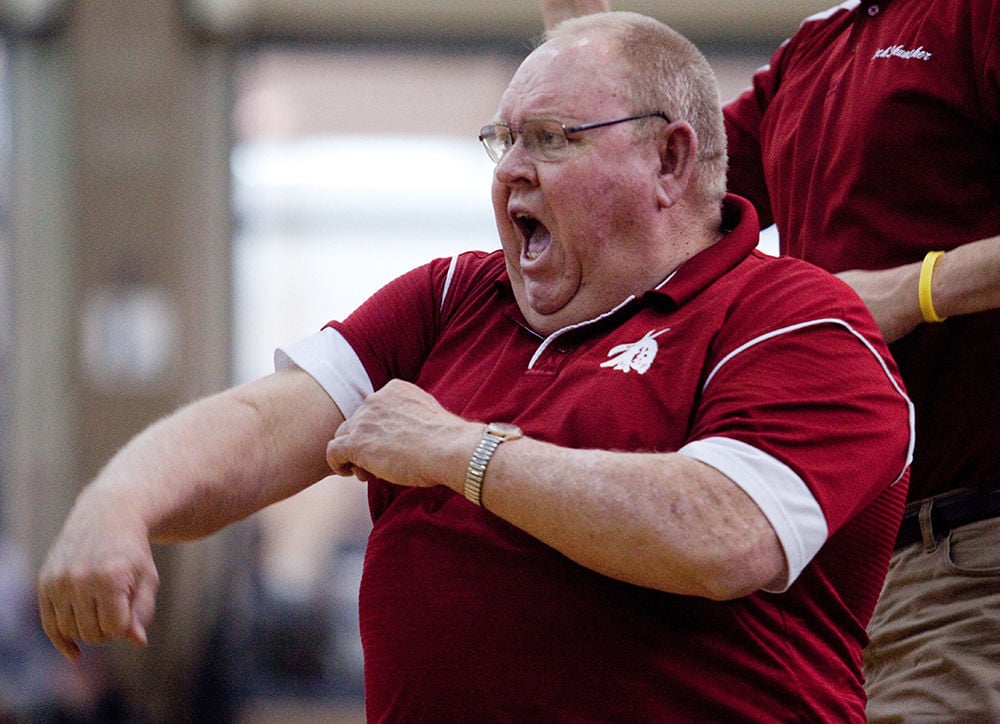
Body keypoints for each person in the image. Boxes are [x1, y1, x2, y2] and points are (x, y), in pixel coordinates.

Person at [37, 12, 914, 721]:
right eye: (504, 142)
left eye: (551, 139)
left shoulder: (797, 320)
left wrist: (464, 453)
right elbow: (266, 423)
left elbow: (723, 535)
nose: (512, 173)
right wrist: (119, 501)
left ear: (671, 160)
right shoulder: (456, 294)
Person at [543, 0, 1000, 719]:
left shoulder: (970, 19)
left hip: (969, 559)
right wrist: (586, 52)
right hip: (836, 580)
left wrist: (917, 289)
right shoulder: (817, 48)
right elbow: (665, 191)